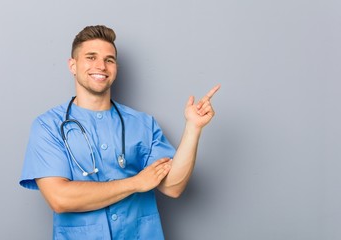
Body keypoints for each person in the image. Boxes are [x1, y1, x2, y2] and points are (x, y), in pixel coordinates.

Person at [19, 25, 220, 240]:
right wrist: (135, 182)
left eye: (109, 60)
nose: (101, 66)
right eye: (91, 57)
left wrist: (193, 128)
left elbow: (172, 187)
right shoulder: (48, 126)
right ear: (73, 65)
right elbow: (60, 198)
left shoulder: (143, 124)